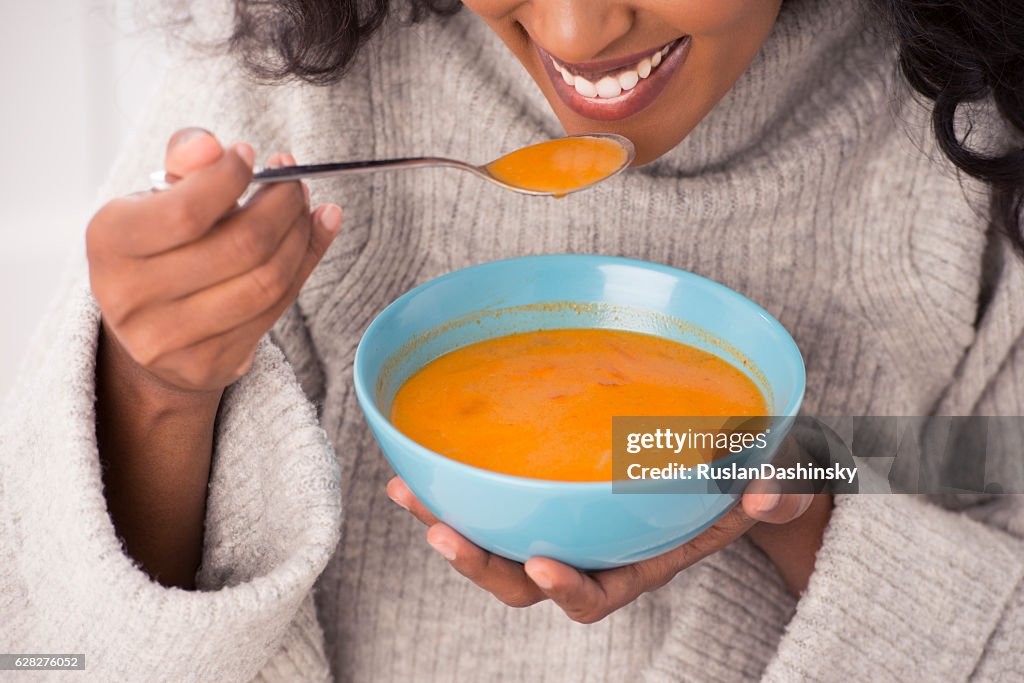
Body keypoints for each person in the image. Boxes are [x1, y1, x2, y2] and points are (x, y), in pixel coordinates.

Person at [3, 0, 1022, 680]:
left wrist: (794, 491)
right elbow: (62, 640)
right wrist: (155, 388)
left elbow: (988, 474)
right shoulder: (288, 88)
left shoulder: (982, 134)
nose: (577, 30)